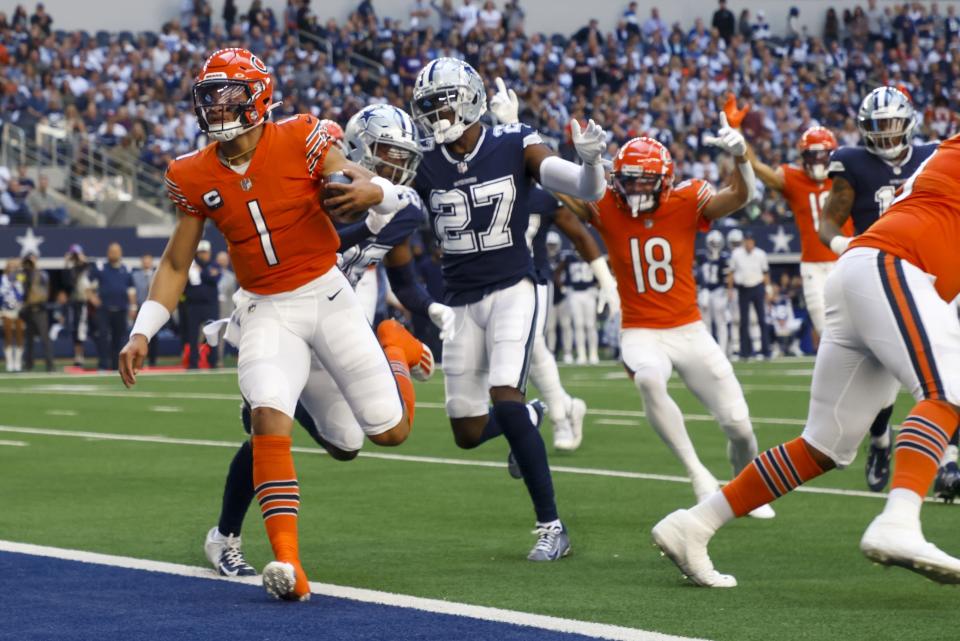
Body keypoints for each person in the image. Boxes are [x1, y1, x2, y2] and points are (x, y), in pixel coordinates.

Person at [120, 48, 417, 602]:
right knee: (266, 419)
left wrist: (371, 190)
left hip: (328, 296)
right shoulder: (190, 172)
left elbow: (359, 179)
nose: (216, 105)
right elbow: (176, 263)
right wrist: (142, 330)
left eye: (228, 94)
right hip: (263, 310)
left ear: (257, 95)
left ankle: (394, 345)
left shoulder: (302, 136)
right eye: (209, 95)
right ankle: (287, 562)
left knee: (386, 432)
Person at [652, 132, 960, 588]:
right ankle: (899, 520)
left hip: (868, 273)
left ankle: (694, 524)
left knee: (825, 444)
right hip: (896, 265)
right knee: (948, 391)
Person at [202, 104, 456, 578]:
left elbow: (404, 278)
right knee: (264, 430)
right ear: (352, 149)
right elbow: (324, 242)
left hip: (337, 327)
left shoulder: (389, 202)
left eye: (402, 158)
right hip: (277, 316)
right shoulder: (307, 183)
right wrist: (378, 211)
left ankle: (391, 346)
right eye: (385, 155)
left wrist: (431, 309)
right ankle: (225, 538)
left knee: (348, 445)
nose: (396, 167)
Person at [409, 59, 608, 560]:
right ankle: (535, 415)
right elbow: (385, 207)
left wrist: (590, 162)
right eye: (429, 107)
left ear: (471, 98)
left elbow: (587, 191)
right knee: (467, 430)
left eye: (445, 102)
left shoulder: (513, 141)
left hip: (512, 288)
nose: (437, 116)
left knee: (503, 396)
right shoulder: (424, 162)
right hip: (458, 301)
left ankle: (551, 527)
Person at [558, 134, 773, 517]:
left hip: (689, 329)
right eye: (630, 179)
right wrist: (524, 138)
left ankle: (744, 486)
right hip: (640, 330)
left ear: (665, 179)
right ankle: (697, 474)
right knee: (648, 379)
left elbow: (741, 196)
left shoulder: (687, 200)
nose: (636, 188)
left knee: (740, 426)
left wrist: (742, 154)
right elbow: (555, 184)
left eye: (645, 180)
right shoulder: (606, 203)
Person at [818, 86, 941, 493]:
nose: (886, 135)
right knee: (881, 384)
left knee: (946, 369)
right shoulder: (853, 163)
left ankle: (950, 460)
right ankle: (880, 439)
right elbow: (828, 223)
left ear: (909, 123)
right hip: (878, 275)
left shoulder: (933, 156)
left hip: (928, 272)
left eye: (892, 125)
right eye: (878, 127)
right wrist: (847, 246)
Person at [732, 93, 853, 349]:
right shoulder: (793, 178)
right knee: (827, 330)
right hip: (813, 267)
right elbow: (754, 164)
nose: (818, 162)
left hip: (847, 261)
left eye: (822, 155)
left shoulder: (849, 172)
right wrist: (736, 130)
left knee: (858, 326)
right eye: (812, 155)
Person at [90, 243, 137, 371]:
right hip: (104, 309)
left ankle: (116, 366)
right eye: (111, 251)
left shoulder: (126, 269)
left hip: (121, 308)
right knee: (103, 336)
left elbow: (131, 290)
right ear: (107, 252)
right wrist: (93, 298)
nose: (114, 253)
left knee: (119, 338)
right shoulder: (100, 268)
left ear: (121, 253)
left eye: (116, 251)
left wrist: (133, 307)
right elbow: (88, 285)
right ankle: (103, 365)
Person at [728, 232, 770, 361]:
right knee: (744, 321)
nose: (748, 243)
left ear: (754, 242)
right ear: (743, 242)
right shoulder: (736, 254)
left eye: (750, 241)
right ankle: (744, 352)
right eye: (746, 241)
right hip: (743, 289)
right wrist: (729, 289)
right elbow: (731, 272)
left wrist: (768, 290)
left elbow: (765, 273)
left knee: (761, 320)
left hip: (757, 287)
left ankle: (765, 351)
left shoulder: (760, 254)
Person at [184, 240, 220, 369]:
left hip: (210, 305)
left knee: (212, 334)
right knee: (193, 336)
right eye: (201, 252)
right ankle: (193, 363)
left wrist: (201, 272)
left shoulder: (215, 265)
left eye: (206, 252)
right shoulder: (190, 266)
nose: (204, 255)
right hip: (193, 306)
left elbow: (214, 278)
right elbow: (185, 284)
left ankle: (213, 362)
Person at [560, 252, 599, 365]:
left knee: (591, 325)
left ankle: (593, 353)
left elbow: (599, 273)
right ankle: (581, 354)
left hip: (589, 292)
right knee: (578, 325)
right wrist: (563, 287)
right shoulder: (568, 258)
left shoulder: (591, 255)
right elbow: (557, 272)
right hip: (574, 293)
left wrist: (598, 286)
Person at [697, 229, 730, 356]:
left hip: (718, 291)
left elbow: (726, 278)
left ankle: (722, 350)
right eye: (713, 243)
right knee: (706, 323)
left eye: (717, 243)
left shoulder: (724, 258)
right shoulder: (702, 257)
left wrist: (726, 293)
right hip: (705, 291)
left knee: (720, 321)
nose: (715, 246)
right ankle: (709, 351)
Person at [20, 253, 53, 372]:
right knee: (29, 339)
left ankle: (50, 365)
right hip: (28, 310)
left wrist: (34, 271)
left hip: (39, 309)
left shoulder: (42, 274)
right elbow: (20, 288)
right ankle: (28, 365)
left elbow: (44, 291)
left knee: (45, 338)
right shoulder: (23, 274)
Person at [62, 245, 92, 367]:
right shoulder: (71, 269)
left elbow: (91, 273)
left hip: (88, 303)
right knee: (76, 329)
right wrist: (67, 263)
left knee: (85, 329)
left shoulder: (87, 267)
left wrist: (83, 260)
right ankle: (78, 356)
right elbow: (66, 283)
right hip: (75, 302)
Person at [131, 254, 158, 367]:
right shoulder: (135, 275)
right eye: (145, 261)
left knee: (154, 336)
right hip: (140, 307)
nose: (147, 263)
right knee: (138, 335)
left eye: (149, 261)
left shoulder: (158, 275)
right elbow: (132, 292)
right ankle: (139, 360)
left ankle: (153, 361)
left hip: (154, 308)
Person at [1, 259, 25, 372]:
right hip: (6, 310)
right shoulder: (3, 279)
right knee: (8, 336)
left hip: (19, 309)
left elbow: (24, 291)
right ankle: (9, 361)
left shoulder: (20, 278)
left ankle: (18, 361)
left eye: (14, 266)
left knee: (20, 335)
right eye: (10, 266)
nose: (12, 268)